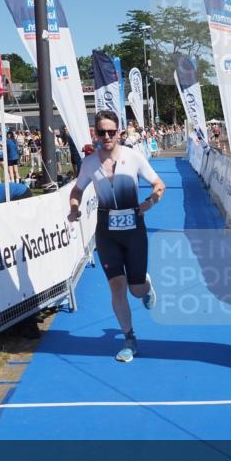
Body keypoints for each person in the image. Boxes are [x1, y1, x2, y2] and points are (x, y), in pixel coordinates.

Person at [67, 111, 165, 363]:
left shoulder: (134, 157)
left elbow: (159, 185)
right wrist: (74, 208)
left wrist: (151, 201)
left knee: (136, 290)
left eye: (111, 132)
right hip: (106, 233)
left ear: (119, 133)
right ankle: (129, 338)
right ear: (95, 134)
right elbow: (77, 190)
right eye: (102, 132)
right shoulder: (89, 163)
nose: (107, 136)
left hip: (134, 231)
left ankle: (145, 284)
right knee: (116, 286)